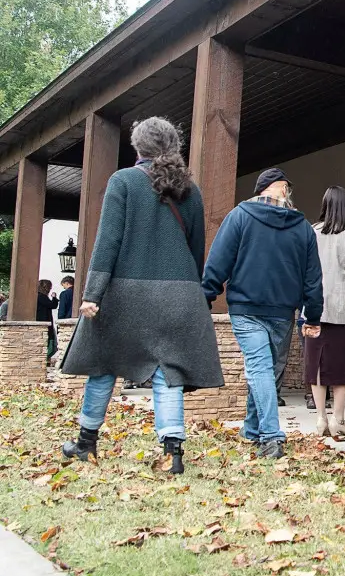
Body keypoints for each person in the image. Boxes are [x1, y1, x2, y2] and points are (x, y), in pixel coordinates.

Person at [61, 117, 224, 474]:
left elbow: (108, 242)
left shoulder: (123, 181)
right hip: (179, 294)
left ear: (138, 148)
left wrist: (91, 293)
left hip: (127, 295)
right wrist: (189, 291)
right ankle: (172, 454)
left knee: (103, 365)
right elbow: (195, 249)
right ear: (172, 147)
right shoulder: (190, 191)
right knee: (169, 373)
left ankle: (86, 445)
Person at [202, 167, 323, 459]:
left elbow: (218, 261)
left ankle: (261, 432)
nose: (288, 192)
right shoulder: (302, 227)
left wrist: (206, 296)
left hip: (246, 307)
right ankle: (264, 433)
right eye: (286, 187)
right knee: (265, 369)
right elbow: (313, 277)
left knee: (263, 370)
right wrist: (313, 314)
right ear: (279, 188)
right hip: (282, 311)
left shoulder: (240, 217)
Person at [305, 186, 345, 438]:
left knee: (316, 364)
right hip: (344, 308)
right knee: (342, 365)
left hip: (314, 307)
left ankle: (320, 418)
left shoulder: (312, 233)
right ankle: (338, 419)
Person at [36, 279, 57, 361]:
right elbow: (52, 305)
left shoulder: (38, 296)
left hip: (42, 320)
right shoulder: (41, 296)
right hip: (44, 321)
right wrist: (54, 298)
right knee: (49, 342)